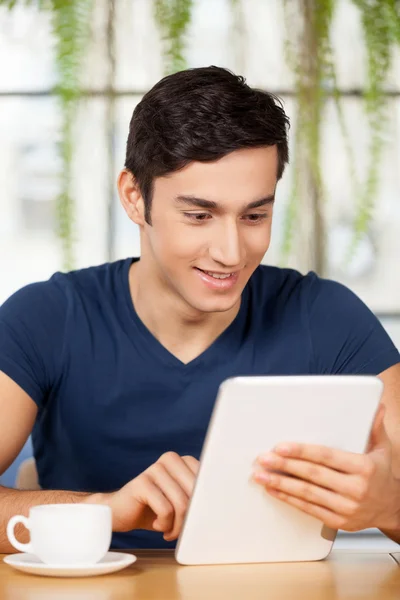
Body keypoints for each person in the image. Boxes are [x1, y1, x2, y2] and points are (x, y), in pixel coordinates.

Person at [0, 66, 399, 554]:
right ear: (133, 196)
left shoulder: (329, 318)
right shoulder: (47, 318)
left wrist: (388, 508)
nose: (231, 252)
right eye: (199, 215)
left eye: (255, 216)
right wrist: (100, 508)